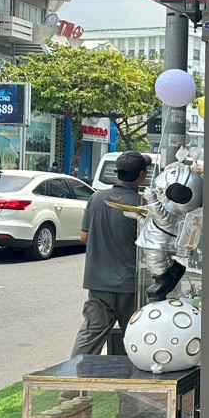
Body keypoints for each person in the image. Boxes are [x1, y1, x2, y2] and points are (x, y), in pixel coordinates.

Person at [70, 150, 151, 358]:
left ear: (118, 172)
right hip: (130, 285)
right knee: (137, 338)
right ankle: (136, 379)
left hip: (98, 283)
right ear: (142, 175)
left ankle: (72, 377)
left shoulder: (96, 198)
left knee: (90, 336)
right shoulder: (142, 205)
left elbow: (84, 237)